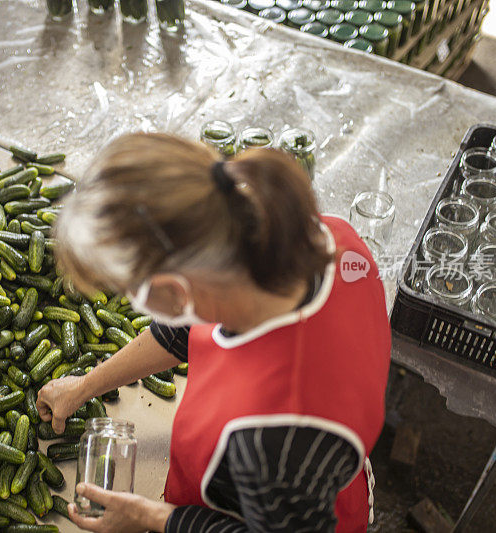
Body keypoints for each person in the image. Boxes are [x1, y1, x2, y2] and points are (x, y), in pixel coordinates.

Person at [37, 132, 391, 533]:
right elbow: (184, 332)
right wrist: (85, 386)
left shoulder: (274, 434)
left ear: (176, 289)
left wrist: (149, 517)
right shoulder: (328, 240)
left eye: (126, 290)